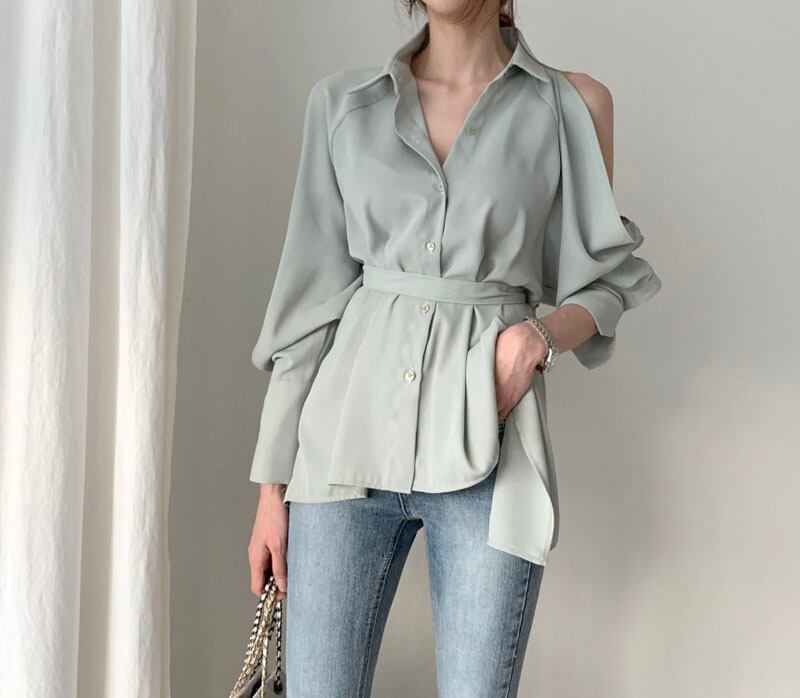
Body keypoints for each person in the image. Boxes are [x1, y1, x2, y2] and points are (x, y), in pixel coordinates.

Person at [246, 2, 662, 695]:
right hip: (341, 450)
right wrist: (270, 489)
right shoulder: (343, 105)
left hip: (490, 448)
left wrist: (537, 339)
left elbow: (608, 282)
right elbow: (307, 305)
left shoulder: (572, 106)